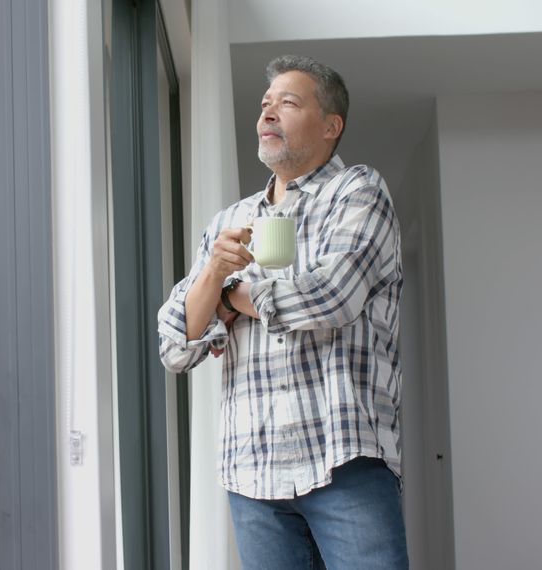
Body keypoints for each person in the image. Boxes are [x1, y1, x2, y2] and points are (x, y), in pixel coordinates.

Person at [158, 55, 408, 569]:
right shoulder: (231, 220)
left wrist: (229, 297)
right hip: (252, 471)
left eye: (288, 103)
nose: (267, 113)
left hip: (344, 461)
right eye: (265, 104)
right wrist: (211, 275)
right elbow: (175, 343)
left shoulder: (357, 191)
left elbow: (331, 297)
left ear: (330, 125)